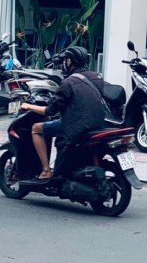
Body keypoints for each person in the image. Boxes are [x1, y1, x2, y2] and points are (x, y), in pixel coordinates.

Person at [19, 46, 106, 181]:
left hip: (77, 126)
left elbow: (50, 110)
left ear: (69, 61)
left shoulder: (68, 82)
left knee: (36, 128)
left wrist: (29, 106)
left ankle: (46, 170)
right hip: (98, 123)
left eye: (66, 60)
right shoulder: (97, 77)